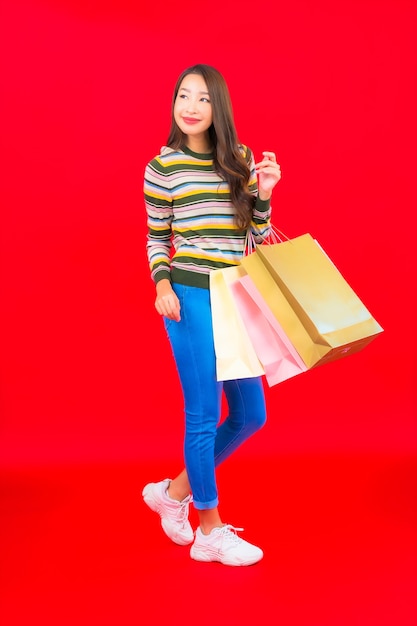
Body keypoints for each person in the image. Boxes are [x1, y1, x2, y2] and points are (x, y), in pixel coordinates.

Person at [142, 63, 281, 566]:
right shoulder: (162, 168)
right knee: (203, 414)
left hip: (235, 295)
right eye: (183, 96)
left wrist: (262, 191)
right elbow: (158, 237)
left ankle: (171, 493)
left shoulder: (238, 158)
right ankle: (209, 530)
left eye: (202, 98)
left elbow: (256, 235)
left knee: (250, 415)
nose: (190, 107)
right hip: (190, 296)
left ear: (217, 106)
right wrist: (162, 284)